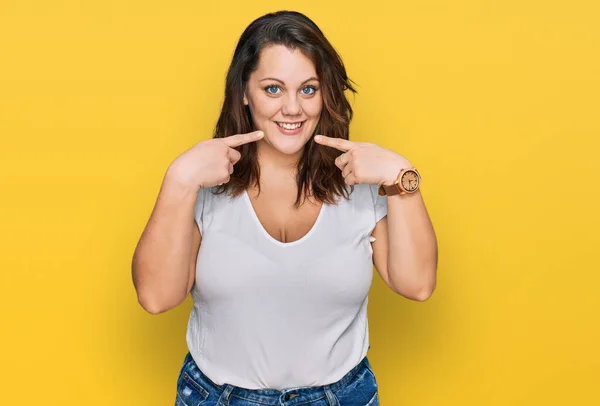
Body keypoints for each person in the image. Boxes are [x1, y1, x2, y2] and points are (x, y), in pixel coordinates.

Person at [132, 10, 438, 406]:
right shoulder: (203, 186)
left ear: (325, 93)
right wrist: (178, 179)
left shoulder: (360, 185)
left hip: (340, 397)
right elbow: (156, 297)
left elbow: (417, 284)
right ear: (245, 92)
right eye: (273, 89)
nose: (292, 108)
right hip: (217, 397)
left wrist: (402, 176)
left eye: (308, 89)